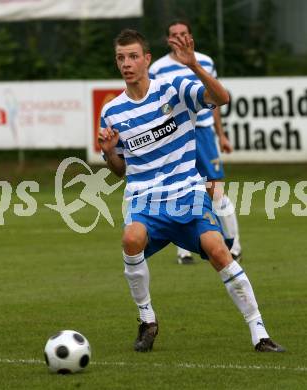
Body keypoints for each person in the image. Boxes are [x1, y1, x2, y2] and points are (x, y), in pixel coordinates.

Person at [98, 28, 284, 353]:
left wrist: (195, 67)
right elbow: (120, 170)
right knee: (130, 240)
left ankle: (260, 332)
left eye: (132, 56)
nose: (126, 63)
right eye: (120, 58)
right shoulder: (112, 111)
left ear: (146, 59)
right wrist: (110, 152)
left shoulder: (175, 88)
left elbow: (222, 99)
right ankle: (147, 320)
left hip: (187, 196)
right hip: (146, 201)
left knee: (218, 251)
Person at [149, 20, 241, 265]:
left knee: (215, 191)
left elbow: (215, 100)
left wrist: (220, 135)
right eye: (173, 34)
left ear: (190, 37)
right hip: (175, 137)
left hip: (202, 133)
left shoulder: (205, 61)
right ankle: (184, 250)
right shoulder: (158, 68)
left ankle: (234, 244)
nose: (178, 37)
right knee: (179, 191)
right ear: (168, 39)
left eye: (183, 33)